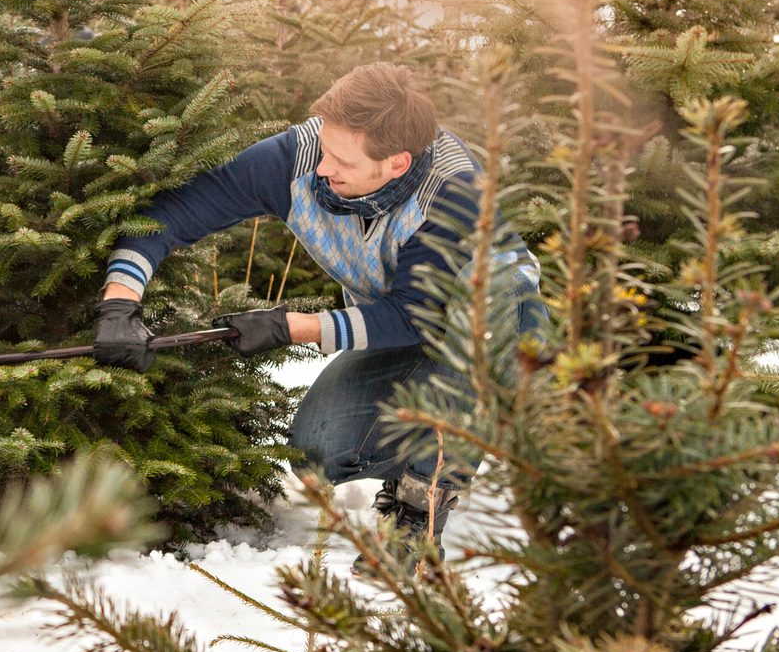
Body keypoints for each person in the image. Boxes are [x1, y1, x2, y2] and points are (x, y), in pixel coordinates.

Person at [93, 63, 544, 539]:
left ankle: (427, 492)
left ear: (397, 163)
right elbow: (174, 214)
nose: (323, 169)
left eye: (343, 162)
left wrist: (292, 327)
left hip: (494, 330)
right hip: (398, 330)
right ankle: (423, 439)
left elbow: (416, 315)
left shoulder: (451, 190)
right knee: (319, 452)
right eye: (326, 149)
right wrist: (119, 304)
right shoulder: (299, 159)